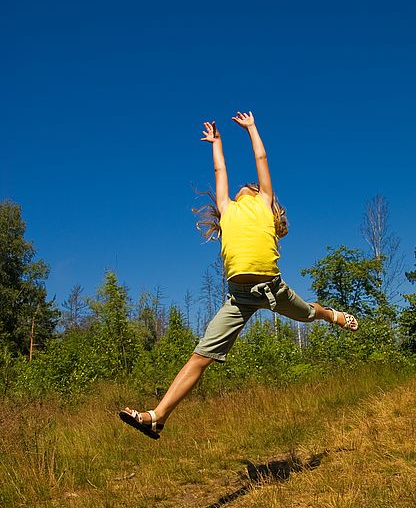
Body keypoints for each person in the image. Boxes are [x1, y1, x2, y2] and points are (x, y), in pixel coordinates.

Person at [119, 111, 358, 439]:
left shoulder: (264, 200)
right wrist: (216, 144)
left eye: (253, 185)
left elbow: (261, 155)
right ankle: (156, 416)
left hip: (273, 288)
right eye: (244, 186)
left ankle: (331, 315)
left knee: (305, 314)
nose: (247, 186)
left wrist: (252, 127)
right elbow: (220, 170)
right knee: (201, 355)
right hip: (240, 298)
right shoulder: (227, 207)